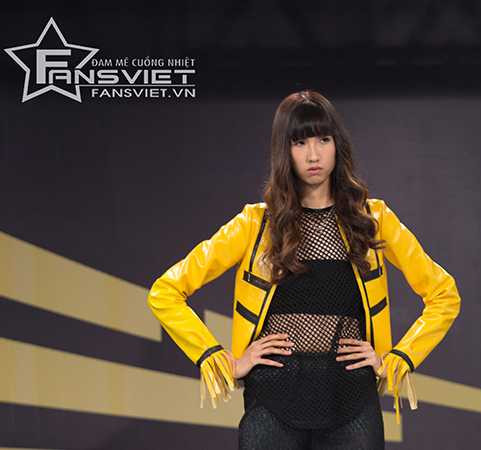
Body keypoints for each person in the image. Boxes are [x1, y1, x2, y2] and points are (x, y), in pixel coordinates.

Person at [147, 90, 461, 449]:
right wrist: (220, 361)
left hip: (352, 398)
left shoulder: (373, 220)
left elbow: (444, 294)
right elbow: (165, 292)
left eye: (323, 140)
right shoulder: (255, 224)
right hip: (272, 399)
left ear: (337, 145)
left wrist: (397, 360)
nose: (313, 155)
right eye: (300, 142)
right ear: (284, 151)